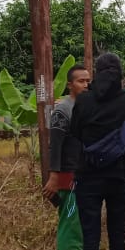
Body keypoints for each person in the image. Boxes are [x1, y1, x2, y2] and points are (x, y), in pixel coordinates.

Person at [59, 53, 125, 250]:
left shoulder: (83, 100)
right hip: (118, 176)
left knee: (91, 237)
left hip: (89, 175)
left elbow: (77, 134)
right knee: (117, 233)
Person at [42, 63, 92, 198]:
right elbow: (55, 145)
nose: (86, 85)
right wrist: (54, 176)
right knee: (71, 216)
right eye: (81, 81)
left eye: (88, 81)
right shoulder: (63, 110)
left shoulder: (89, 108)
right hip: (68, 173)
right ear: (70, 85)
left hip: (86, 173)